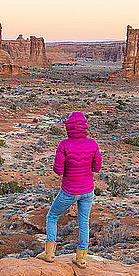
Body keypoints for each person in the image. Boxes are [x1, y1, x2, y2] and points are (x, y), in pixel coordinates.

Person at [37, 111, 102, 268]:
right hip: (87, 190)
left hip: (69, 190)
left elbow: (58, 170)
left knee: (52, 216)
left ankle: (49, 253)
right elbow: (97, 167)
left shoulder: (64, 145)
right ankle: (81, 259)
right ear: (84, 126)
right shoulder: (93, 144)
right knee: (84, 222)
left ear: (68, 127)